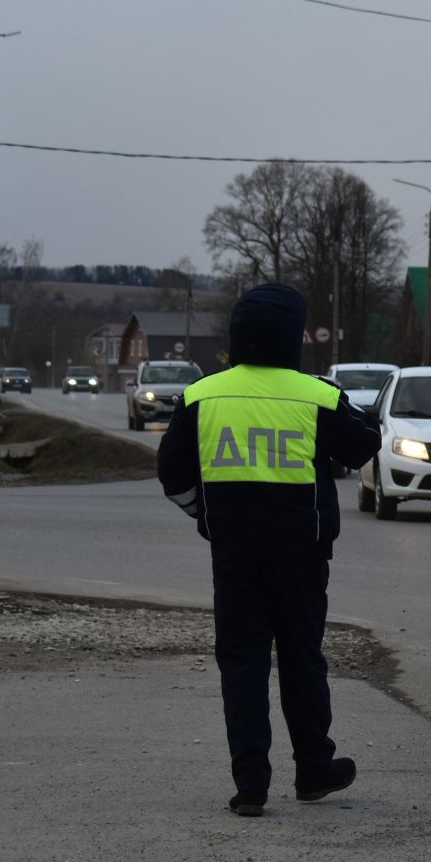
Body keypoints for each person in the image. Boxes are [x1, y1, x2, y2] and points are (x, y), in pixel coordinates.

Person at [157, 283, 381, 817]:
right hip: (302, 554)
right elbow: (364, 444)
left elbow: (172, 474)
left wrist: (206, 516)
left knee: (243, 667)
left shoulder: (202, 395)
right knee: (302, 660)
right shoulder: (318, 396)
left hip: (233, 553)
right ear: (292, 336)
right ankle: (312, 772)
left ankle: (251, 785)